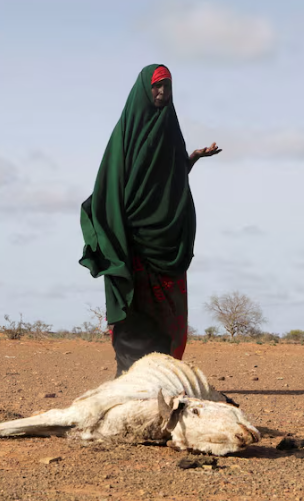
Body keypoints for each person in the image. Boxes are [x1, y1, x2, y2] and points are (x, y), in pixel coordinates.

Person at [79, 64, 220, 376]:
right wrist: (116, 226)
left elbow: (168, 180)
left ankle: (165, 371)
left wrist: (192, 159)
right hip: (133, 236)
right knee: (136, 304)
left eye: (167, 87)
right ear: (144, 89)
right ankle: (129, 372)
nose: (162, 93)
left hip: (164, 237)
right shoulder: (127, 130)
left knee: (166, 307)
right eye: (157, 87)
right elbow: (111, 183)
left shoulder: (170, 128)